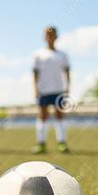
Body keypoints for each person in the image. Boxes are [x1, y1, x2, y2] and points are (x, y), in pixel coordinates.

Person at [32, 26, 70, 154]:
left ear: (56, 36)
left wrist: (67, 87)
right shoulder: (38, 54)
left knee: (60, 116)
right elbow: (35, 73)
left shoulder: (62, 55)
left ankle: (62, 142)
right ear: (44, 37)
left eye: (52, 34)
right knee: (43, 116)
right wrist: (36, 88)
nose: (50, 37)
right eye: (48, 34)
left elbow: (67, 72)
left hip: (59, 89)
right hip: (44, 90)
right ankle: (41, 143)